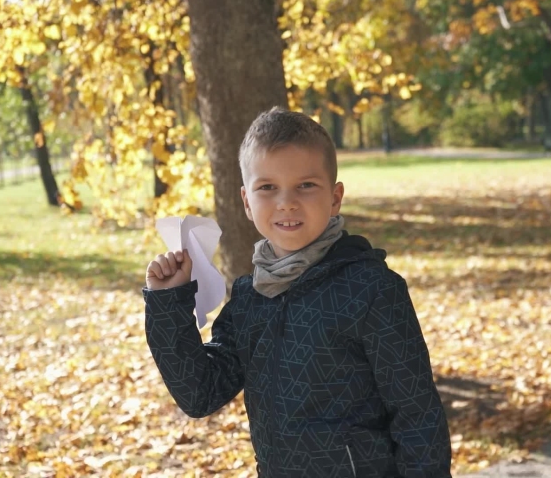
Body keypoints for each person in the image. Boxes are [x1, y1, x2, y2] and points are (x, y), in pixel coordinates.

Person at [143, 107, 452, 477]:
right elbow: (200, 393)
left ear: (335, 197)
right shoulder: (249, 298)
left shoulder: (372, 290)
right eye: (267, 187)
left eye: (305, 185)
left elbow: (418, 416)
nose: (286, 202)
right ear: (246, 201)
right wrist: (167, 304)